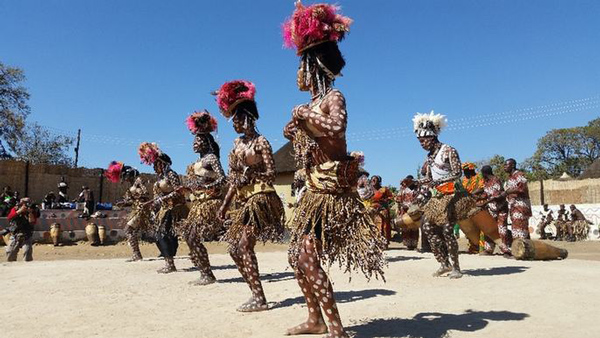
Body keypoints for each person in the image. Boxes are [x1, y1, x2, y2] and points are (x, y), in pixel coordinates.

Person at [282, 3, 386, 336]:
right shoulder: (311, 104)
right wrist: (295, 124)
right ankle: (315, 320)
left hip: (333, 193)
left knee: (308, 260)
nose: (298, 73)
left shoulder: (334, 97)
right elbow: (297, 132)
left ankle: (337, 329)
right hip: (314, 191)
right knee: (297, 259)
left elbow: (336, 127)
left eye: (302, 64)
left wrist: (305, 114)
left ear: (314, 65)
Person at [215, 80, 285, 311]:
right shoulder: (235, 145)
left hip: (261, 198)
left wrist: (252, 172)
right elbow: (234, 180)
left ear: (246, 117)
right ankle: (255, 292)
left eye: (236, 118)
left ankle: (260, 299)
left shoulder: (261, 142)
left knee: (244, 245)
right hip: (244, 201)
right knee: (235, 249)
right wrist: (224, 206)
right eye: (231, 119)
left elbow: (271, 173)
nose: (233, 123)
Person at [414, 111, 477, 279]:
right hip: (437, 197)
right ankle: (444, 263)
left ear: (432, 137)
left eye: (423, 140)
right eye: (419, 141)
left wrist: (438, 182)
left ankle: (456, 267)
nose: (421, 144)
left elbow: (457, 173)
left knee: (448, 230)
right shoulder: (429, 157)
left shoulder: (449, 150)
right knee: (427, 227)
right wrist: (417, 182)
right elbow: (429, 177)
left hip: (452, 195)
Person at [178, 110, 226, 285]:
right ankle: (205, 272)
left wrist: (205, 187)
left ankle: (207, 274)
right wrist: (187, 188)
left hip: (208, 203)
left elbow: (222, 178)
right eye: (194, 140)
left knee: (192, 236)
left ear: (206, 142)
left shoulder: (211, 158)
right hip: (197, 204)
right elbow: (195, 183)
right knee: (189, 236)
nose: (195, 143)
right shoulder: (195, 163)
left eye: (198, 140)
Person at [139, 142, 187, 273]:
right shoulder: (159, 179)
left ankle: (171, 263)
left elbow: (178, 191)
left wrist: (162, 199)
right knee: (159, 235)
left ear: (162, 163)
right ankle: (169, 261)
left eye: (155, 164)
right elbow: (158, 197)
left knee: (163, 234)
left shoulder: (171, 174)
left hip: (176, 209)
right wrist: (153, 204)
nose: (154, 167)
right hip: (165, 210)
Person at [105, 161, 152, 262]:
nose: (124, 179)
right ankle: (137, 254)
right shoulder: (131, 186)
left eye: (124, 176)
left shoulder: (139, 181)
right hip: (136, 209)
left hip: (142, 209)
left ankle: (137, 255)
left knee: (128, 229)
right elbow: (130, 200)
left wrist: (136, 198)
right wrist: (124, 203)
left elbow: (146, 194)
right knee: (130, 230)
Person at [479, 165, 511, 255]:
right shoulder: (486, 182)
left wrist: (484, 203)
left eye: (482, 173)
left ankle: (506, 250)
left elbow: (496, 196)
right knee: (489, 229)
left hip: (501, 209)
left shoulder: (496, 180)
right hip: (491, 209)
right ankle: (489, 249)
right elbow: (486, 194)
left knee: (502, 229)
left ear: (485, 173)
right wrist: (477, 197)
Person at [502, 158, 532, 240]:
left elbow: (521, 188)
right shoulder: (510, 178)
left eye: (506, 165)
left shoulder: (519, 175)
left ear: (513, 165)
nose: (504, 167)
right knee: (518, 227)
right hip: (514, 206)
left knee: (520, 228)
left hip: (520, 206)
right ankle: (526, 249)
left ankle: (521, 249)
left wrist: (507, 192)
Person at [461, 162, 486, 254]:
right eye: (464, 171)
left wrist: (471, 194)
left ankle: (482, 247)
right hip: (468, 205)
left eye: (466, 170)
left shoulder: (479, 177)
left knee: (481, 226)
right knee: (471, 227)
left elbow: (482, 188)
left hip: (479, 203)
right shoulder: (464, 180)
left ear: (471, 169)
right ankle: (473, 247)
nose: (464, 173)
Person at [368, 175, 394, 247]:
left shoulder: (384, 189)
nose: (373, 181)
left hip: (382, 209)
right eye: (372, 179)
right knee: (373, 225)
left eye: (375, 179)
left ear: (379, 181)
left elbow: (391, 196)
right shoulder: (369, 190)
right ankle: (374, 242)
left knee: (383, 225)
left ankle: (383, 242)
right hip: (372, 210)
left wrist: (383, 201)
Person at [395, 175, 420, 250]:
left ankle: (414, 244)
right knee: (406, 226)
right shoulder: (403, 190)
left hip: (414, 210)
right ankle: (408, 244)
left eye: (410, 181)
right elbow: (398, 199)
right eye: (407, 181)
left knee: (414, 226)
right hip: (405, 211)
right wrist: (400, 206)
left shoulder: (417, 189)